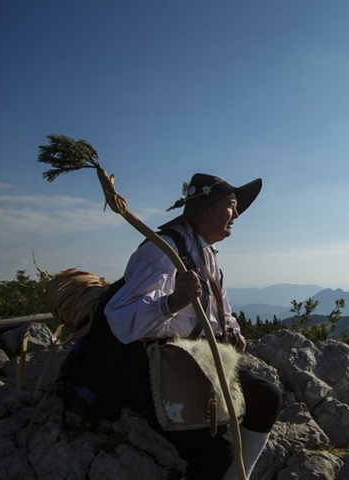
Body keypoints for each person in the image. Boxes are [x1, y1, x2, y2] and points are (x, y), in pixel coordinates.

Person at [103, 173, 282, 480]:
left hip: (196, 360)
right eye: (231, 205)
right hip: (154, 367)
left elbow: (221, 312)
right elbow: (119, 318)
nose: (237, 214)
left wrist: (233, 332)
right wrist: (171, 302)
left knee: (267, 396)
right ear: (207, 208)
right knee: (213, 452)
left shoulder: (207, 255)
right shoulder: (164, 251)